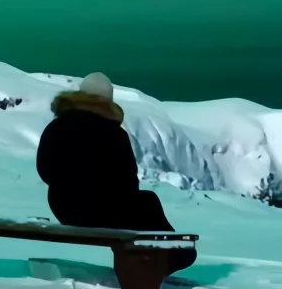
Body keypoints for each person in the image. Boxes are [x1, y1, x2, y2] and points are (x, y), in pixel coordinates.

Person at [36, 72, 196, 275]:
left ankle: (155, 257)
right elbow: (127, 180)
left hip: (63, 207)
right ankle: (170, 254)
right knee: (148, 202)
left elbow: (44, 170)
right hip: (103, 211)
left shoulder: (55, 127)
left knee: (142, 204)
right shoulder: (113, 133)